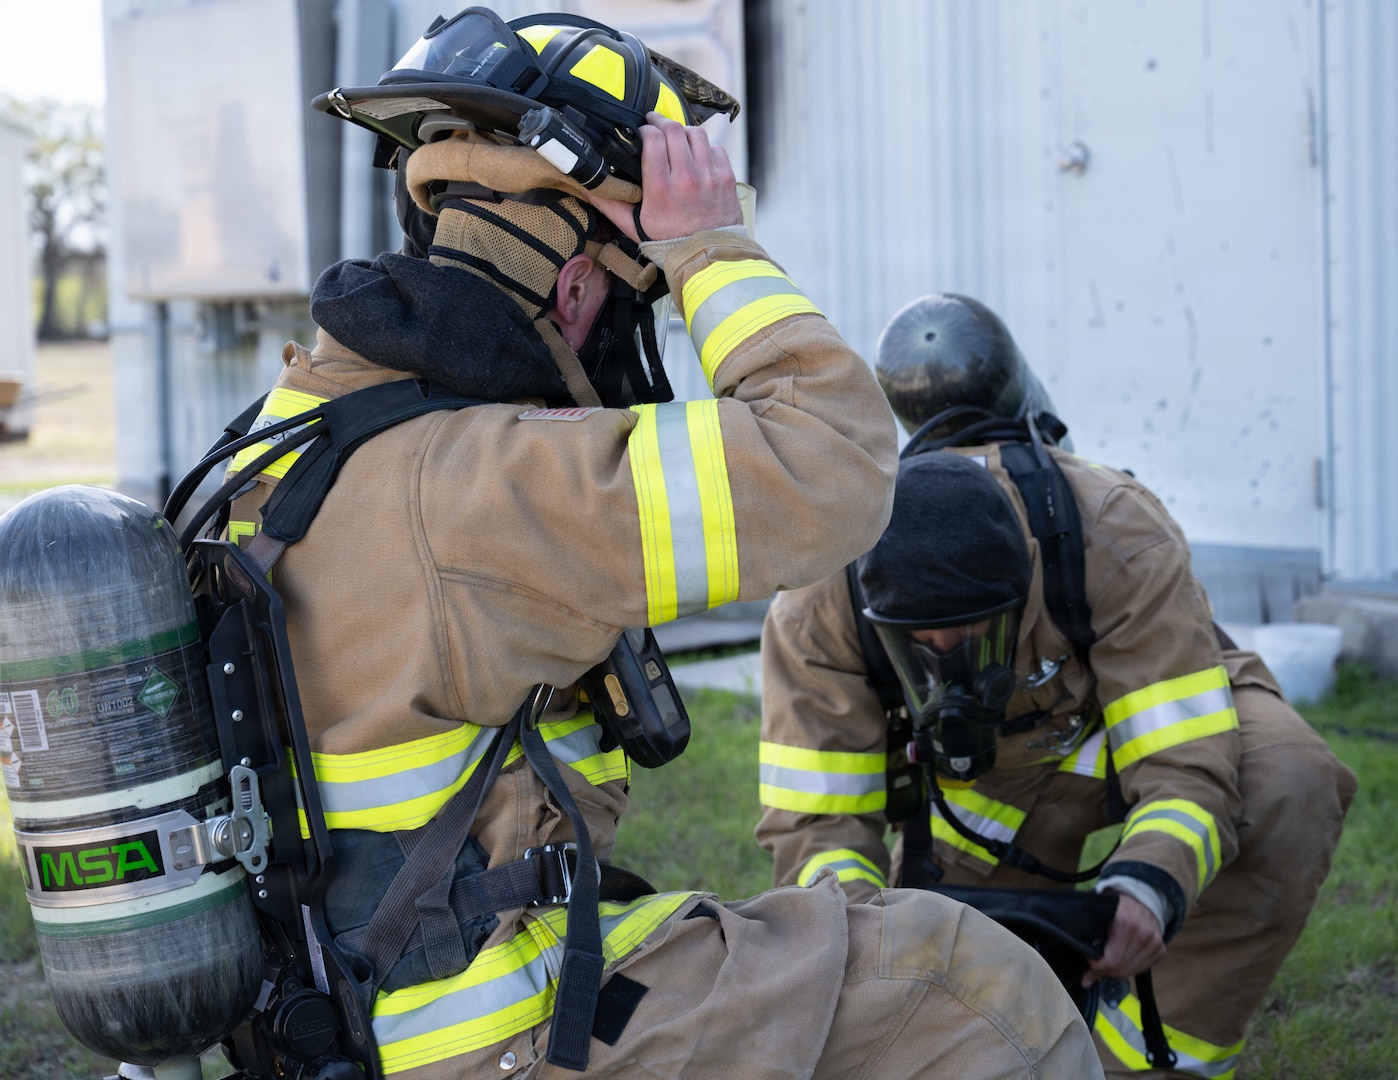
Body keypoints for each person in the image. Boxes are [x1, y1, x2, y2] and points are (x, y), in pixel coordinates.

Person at [214, 16, 1102, 1080]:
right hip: (496, 1032)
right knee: (964, 984)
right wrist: (706, 247)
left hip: (334, 1024)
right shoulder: (492, 481)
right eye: (637, 306)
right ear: (576, 289)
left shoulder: (283, 436)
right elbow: (838, 465)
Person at [757, 293, 1358, 1079]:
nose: (950, 665)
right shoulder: (817, 601)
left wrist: (1151, 883)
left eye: (972, 638)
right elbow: (819, 821)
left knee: (1287, 780)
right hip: (989, 789)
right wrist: (863, 936)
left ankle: (1146, 1062)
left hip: (1124, 722)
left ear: (1024, 580)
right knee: (931, 982)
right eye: (921, 650)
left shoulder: (1114, 532)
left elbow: (1182, 760)